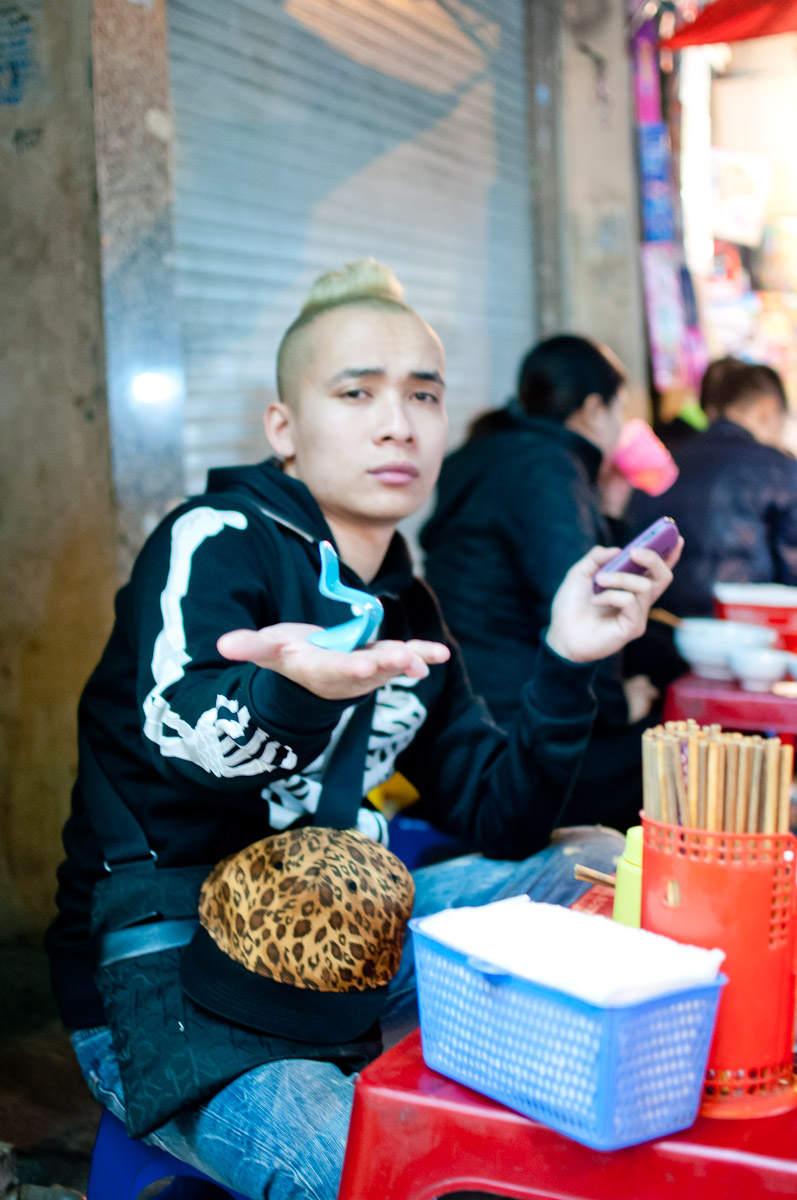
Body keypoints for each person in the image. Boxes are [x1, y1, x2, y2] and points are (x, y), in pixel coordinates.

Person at [45, 264, 679, 1200]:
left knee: (592, 859)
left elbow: (498, 816)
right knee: (386, 1175)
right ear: (284, 429)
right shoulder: (215, 541)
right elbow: (180, 738)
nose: (399, 423)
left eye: (423, 394)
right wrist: (293, 695)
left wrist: (565, 658)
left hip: (348, 944)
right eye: (356, 393)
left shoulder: (405, 602)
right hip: (178, 988)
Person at [421, 334, 663, 832]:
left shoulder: (483, 452)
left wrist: (610, 508)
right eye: (620, 410)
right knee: (676, 758)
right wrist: (618, 707)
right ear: (594, 410)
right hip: (515, 723)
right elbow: (582, 606)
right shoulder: (548, 467)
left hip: (462, 716)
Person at [626, 360, 797, 618]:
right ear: (767, 410)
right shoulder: (782, 469)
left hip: (663, 633)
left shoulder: (665, 463)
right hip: (752, 634)